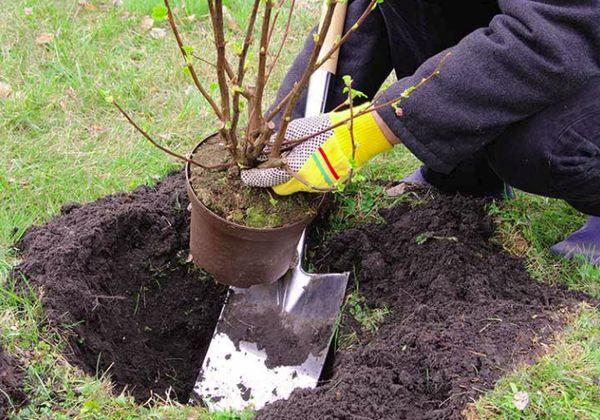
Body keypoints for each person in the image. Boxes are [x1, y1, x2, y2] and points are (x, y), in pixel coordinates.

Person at [241, 0, 600, 265]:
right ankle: (466, 172)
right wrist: (291, 129)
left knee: (538, 148)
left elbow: (554, 32)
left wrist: (376, 126)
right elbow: (367, 14)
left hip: (576, 26)